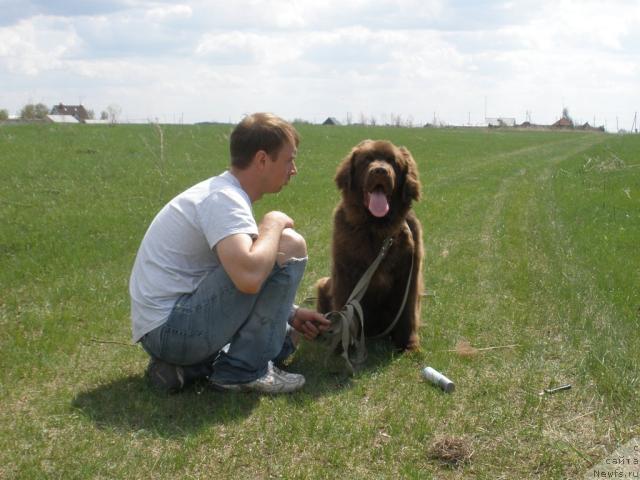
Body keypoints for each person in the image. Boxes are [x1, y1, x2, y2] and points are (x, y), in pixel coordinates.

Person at [129, 112, 330, 394]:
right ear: (262, 160)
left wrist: (292, 313)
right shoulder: (224, 199)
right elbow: (248, 277)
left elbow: (227, 276)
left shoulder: (222, 193)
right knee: (289, 244)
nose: (293, 169)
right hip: (173, 330)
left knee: (289, 336)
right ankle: (243, 371)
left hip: (164, 329)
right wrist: (272, 224)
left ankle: (186, 370)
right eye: (289, 159)